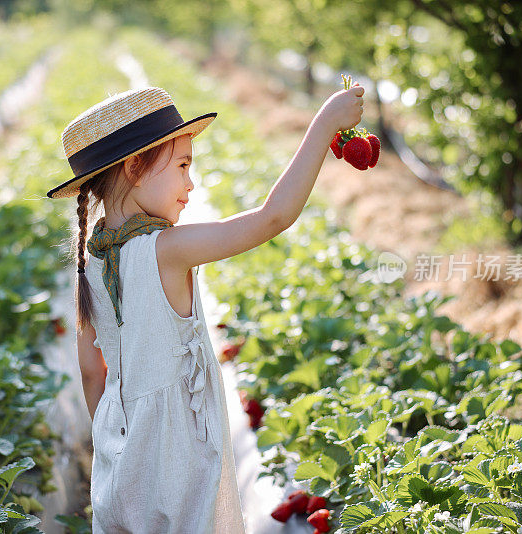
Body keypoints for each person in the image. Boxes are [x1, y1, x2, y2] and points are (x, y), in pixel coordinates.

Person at [46, 83, 364, 533]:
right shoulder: (166, 249)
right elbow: (271, 218)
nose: (190, 182)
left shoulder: (90, 260)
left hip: (119, 457)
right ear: (136, 167)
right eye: (182, 165)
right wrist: (324, 124)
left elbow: (91, 371)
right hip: (176, 462)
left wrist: (117, 442)